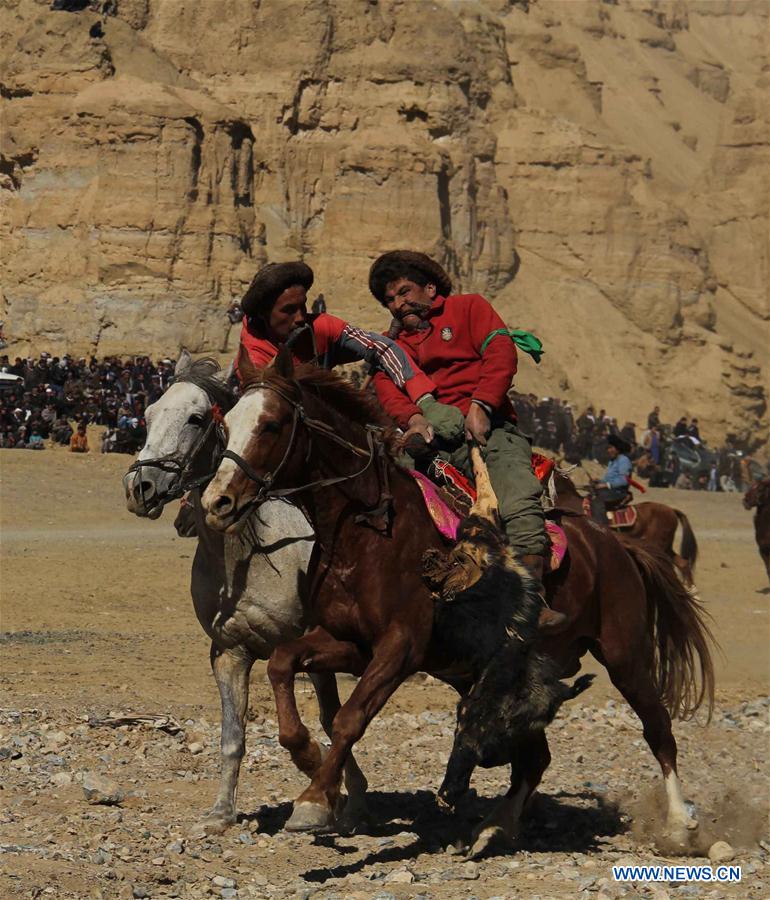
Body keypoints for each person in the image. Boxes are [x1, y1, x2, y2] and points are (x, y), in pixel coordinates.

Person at [367, 249, 565, 631]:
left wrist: (483, 405)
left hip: (488, 430)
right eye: (390, 299)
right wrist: (414, 418)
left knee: (515, 491)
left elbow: (500, 352)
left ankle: (530, 597)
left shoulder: (469, 308)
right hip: (432, 438)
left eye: (405, 292)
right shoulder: (393, 347)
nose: (398, 303)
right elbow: (387, 389)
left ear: (429, 288)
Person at [237, 261, 435, 412]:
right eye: (288, 310)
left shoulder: (320, 326)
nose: (300, 317)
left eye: (302, 306)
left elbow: (381, 348)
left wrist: (424, 399)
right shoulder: (255, 361)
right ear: (263, 313)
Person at [590, 434, 632, 522]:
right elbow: (609, 479)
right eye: (608, 448)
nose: (609, 450)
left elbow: (624, 480)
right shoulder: (612, 462)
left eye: (611, 448)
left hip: (618, 492)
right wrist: (599, 481)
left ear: (617, 448)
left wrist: (606, 484)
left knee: (597, 502)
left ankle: (602, 529)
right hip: (610, 490)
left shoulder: (623, 460)